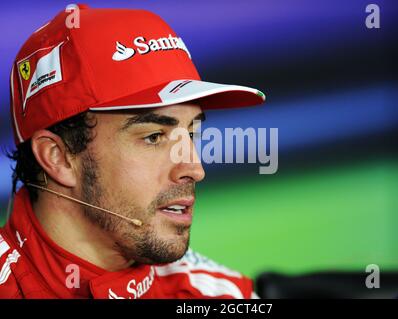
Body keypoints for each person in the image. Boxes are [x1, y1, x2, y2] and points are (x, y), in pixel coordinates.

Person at [0, 4, 265, 299]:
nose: (194, 168)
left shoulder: (219, 294)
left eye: (191, 134)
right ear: (57, 158)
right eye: (154, 137)